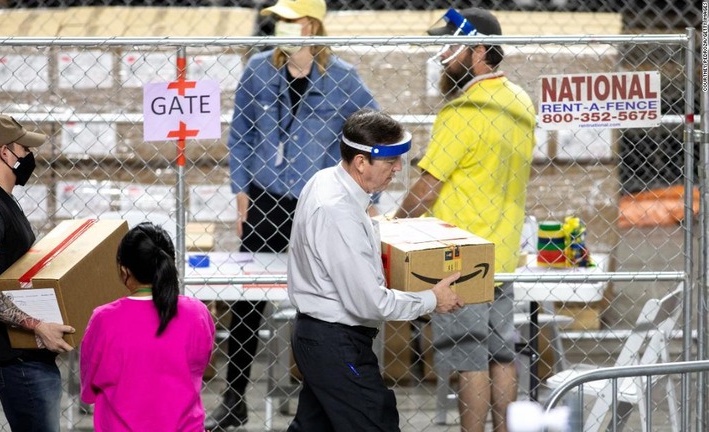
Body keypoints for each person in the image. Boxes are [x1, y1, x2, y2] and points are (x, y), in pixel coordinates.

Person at [211, 0, 378, 429]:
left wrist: (364, 191)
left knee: (325, 296)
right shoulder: (258, 70)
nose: (280, 27)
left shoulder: (343, 79)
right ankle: (234, 396)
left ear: (311, 26)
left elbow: (370, 131)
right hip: (266, 199)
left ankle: (325, 394)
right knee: (248, 300)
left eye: (289, 20)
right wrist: (241, 189)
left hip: (318, 204)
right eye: (278, 20)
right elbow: (241, 133)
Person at [396, 8, 537, 432]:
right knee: (501, 355)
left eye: (449, 46)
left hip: (459, 256)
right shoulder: (519, 101)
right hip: (504, 250)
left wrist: (394, 221)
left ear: (477, 51)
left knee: (468, 360)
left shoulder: (461, 112)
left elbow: (427, 187)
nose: (441, 56)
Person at [286, 109, 465, 432]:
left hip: (319, 337)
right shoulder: (337, 211)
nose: (398, 168)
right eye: (390, 161)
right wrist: (432, 299)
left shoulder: (326, 180)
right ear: (360, 162)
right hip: (336, 342)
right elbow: (370, 303)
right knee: (377, 422)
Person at [0, 114, 76, 432]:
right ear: (4, 152)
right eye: (23, 149)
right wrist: (38, 326)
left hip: (22, 354)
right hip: (15, 358)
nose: (28, 157)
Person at [80, 222, 215, 431]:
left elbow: (89, 388)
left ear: (124, 270)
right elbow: (199, 365)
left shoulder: (104, 319)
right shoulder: (197, 314)